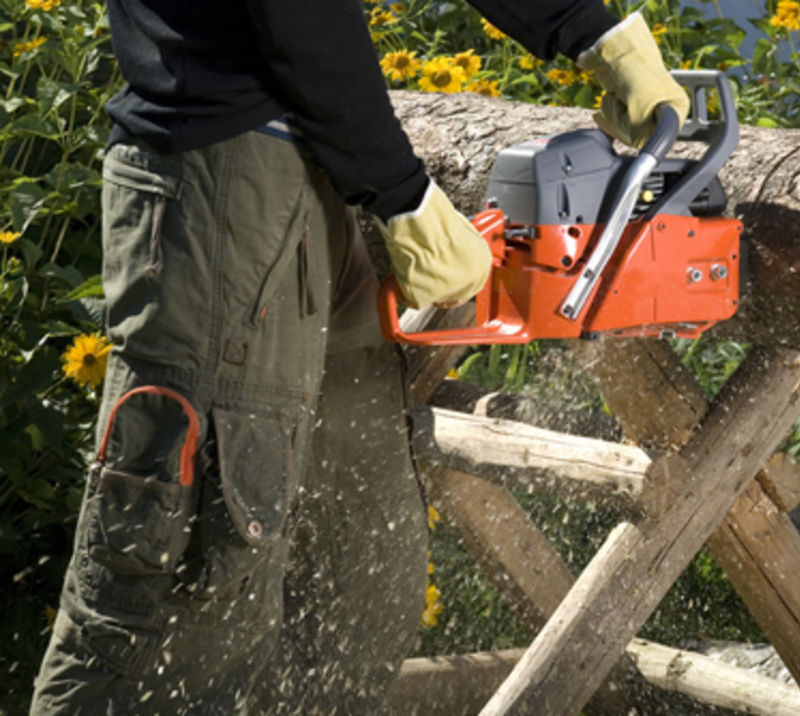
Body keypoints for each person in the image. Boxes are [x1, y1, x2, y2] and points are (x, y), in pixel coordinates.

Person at [28, 0, 688, 712]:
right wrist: (401, 195)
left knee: (353, 588)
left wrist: (592, 33)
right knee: (184, 600)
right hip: (220, 189)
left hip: (317, 182)